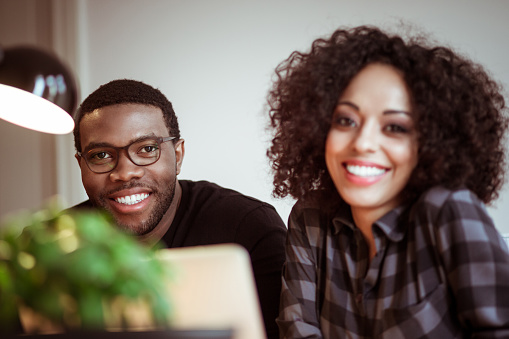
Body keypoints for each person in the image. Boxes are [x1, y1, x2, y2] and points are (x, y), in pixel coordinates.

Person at [267, 25, 509, 338]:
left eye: (394, 127)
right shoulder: (309, 217)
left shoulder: (449, 211)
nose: (363, 142)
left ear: (430, 143)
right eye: (346, 120)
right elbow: (296, 330)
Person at [72, 79, 286, 339]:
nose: (125, 172)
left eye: (147, 149)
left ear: (179, 155)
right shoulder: (48, 246)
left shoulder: (249, 227)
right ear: (81, 165)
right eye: (101, 155)